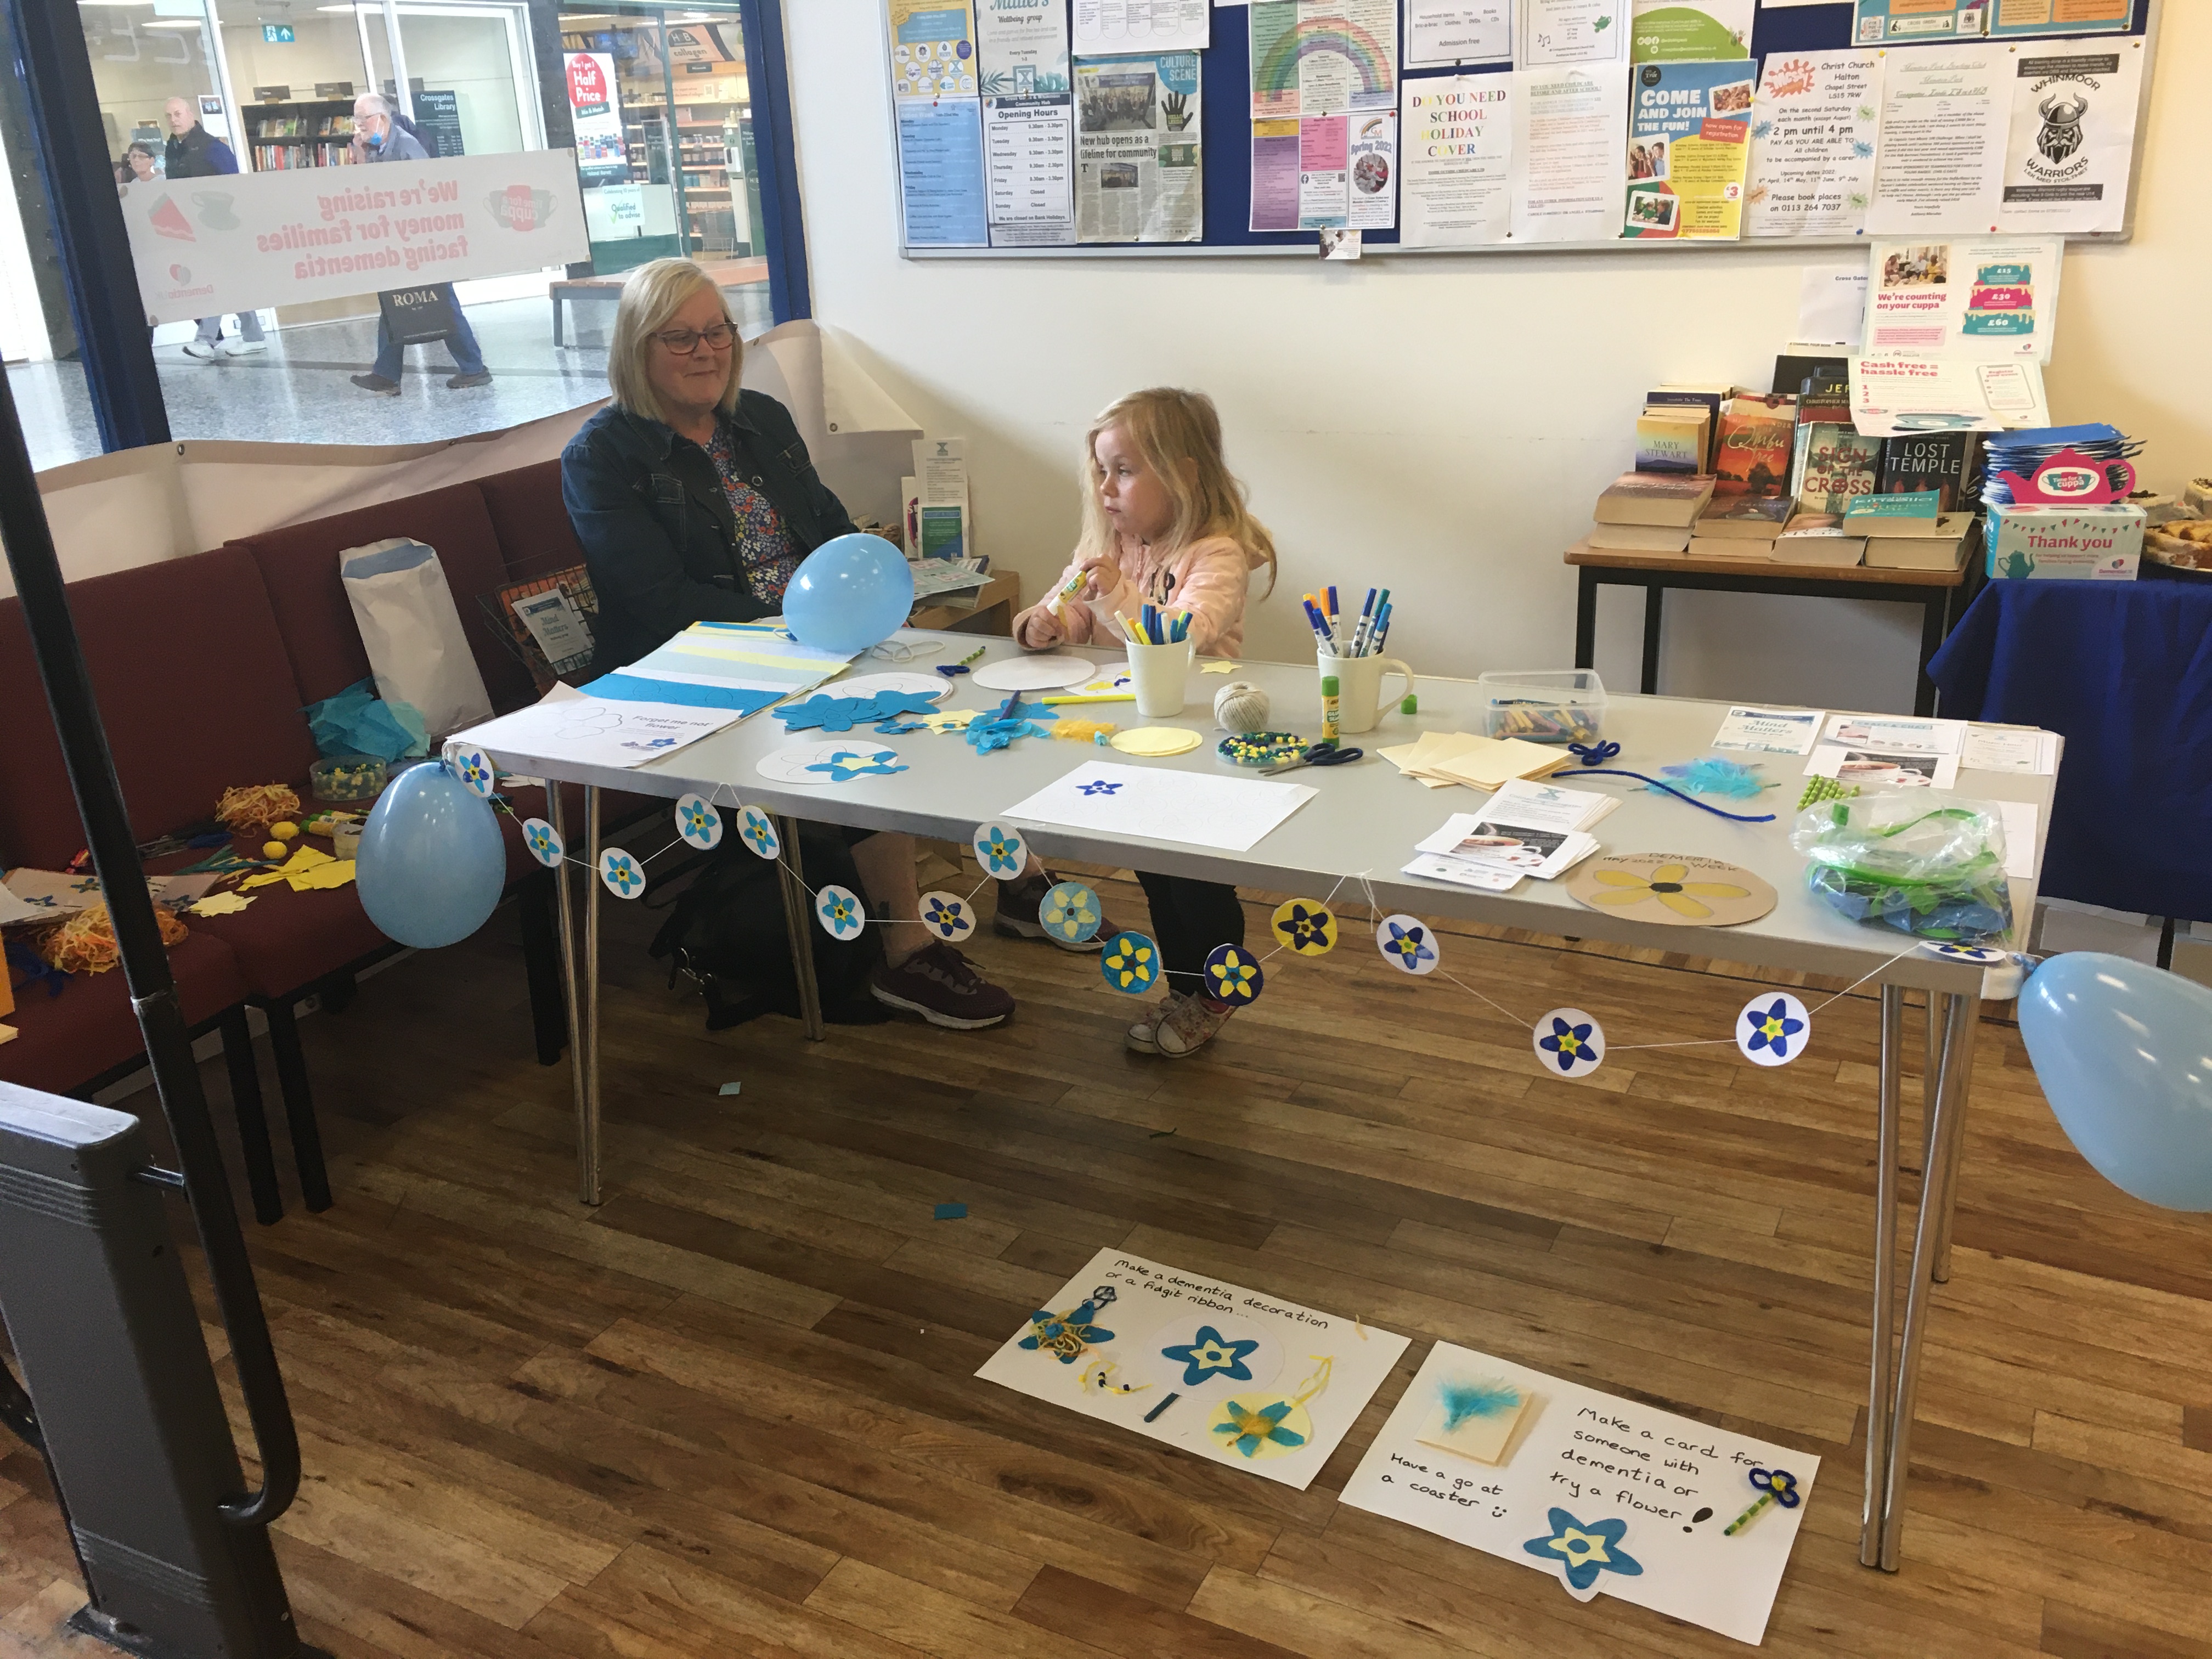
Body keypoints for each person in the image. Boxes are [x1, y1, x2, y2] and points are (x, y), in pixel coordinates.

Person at [562, 257, 1014, 1031]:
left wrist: (867, 601)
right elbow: (662, 603)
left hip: (813, 637)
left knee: (953, 685)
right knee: (872, 727)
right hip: (698, 663)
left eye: (718, 332)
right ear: (637, 349)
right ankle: (906, 952)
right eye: (680, 338)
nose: (707, 352)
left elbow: (831, 530)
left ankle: (1023, 883)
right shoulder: (601, 457)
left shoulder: (761, 420)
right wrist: (800, 627)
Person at [1011, 388, 1278, 1058]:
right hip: (1133, 739)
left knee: (1197, 878)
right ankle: (1186, 990)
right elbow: (1068, 610)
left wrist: (1114, 595)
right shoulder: (1110, 544)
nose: (1106, 488)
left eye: (1124, 471)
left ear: (1185, 474)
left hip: (1198, 741)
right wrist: (1041, 624)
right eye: (1101, 471)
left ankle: (1214, 991)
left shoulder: (1215, 554)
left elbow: (1184, 637)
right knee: (1154, 872)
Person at [347, 94, 492, 394]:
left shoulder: (407, 147)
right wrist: (360, 155)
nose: (358, 125)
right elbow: (368, 192)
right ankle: (386, 374)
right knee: (392, 304)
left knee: (442, 304)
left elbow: (427, 194)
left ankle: (474, 368)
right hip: (398, 240)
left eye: (362, 119)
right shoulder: (376, 148)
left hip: (423, 242)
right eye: (356, 119)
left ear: (381, 119)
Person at [162, 98, 266, 360]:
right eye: (169, 116)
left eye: (178, 114)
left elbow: (234, 185)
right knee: (228, 279)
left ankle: (206, 340)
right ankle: (254, 336)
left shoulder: (212, 147)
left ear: (190, 114)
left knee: (215, 278)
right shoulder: (173, 150)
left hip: (220, 226)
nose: (174, 120)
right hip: (194, 226)